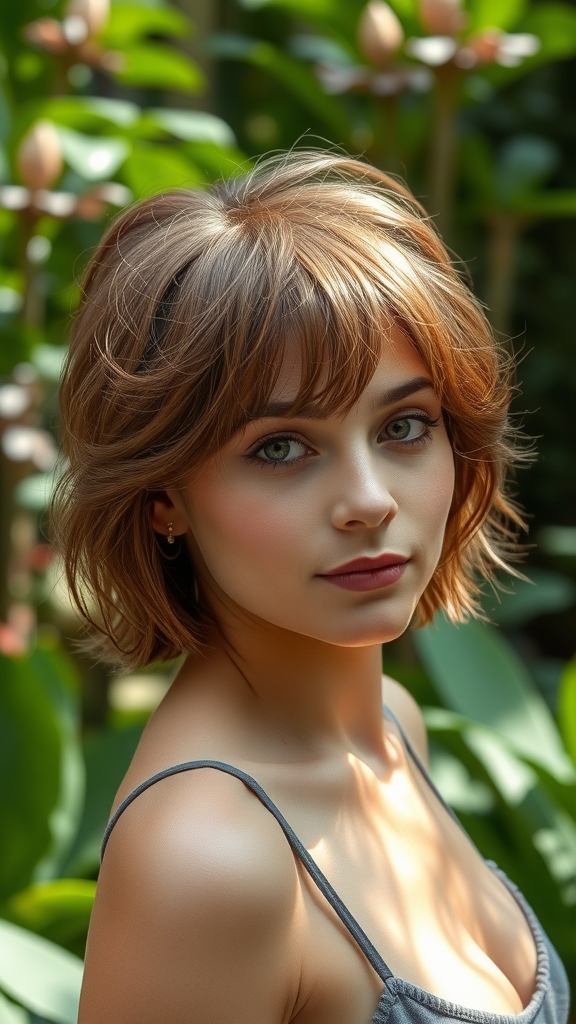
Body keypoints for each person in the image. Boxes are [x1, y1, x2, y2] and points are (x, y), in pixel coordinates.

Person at [53, 151, 570, 1024]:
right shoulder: (208, 862)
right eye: (281, 448)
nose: (369, 502)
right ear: (163, 498)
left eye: (406, 425)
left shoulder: (394, 730)